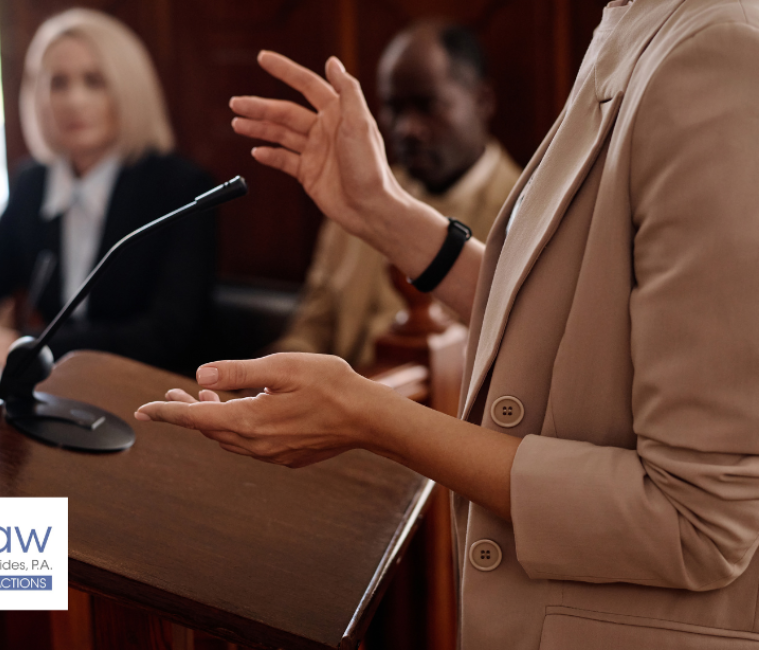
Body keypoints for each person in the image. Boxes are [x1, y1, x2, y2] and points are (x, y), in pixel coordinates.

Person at [138, 0, 759, 648]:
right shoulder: (634, 22)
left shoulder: (718, 50)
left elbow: (698, 521)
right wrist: (381, 210)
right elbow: (578, 324)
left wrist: (371, 417)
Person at [0, 8, 216, 372]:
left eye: (94, 81)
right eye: (58, 83)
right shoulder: (32, 183)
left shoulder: (179, 188)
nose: (73, 100)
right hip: (56, 394)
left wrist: (29, 348)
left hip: (150, 395)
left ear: (128, 89)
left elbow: (167, 335)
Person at [271, 21, 520, 367]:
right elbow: (313, 324)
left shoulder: (524, 214)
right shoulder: (357, 192)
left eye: (427, 105)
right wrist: (270, 380)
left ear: (482, 100)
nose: (407, 128)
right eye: (394, 107)